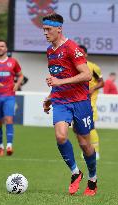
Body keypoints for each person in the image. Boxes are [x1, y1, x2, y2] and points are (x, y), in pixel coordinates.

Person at [42, 13, 97, 196]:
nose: (45, 33)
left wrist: (58, 83)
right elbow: (58, 77)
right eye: (44, 29)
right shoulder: (50, 51)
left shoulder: (72, 48)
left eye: (48, 29)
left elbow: (87, 75)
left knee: (84, 144)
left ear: (59, 29)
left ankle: (93, 179)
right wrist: (51, 95)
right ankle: (75, 173)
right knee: (60, 137)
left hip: (80, 101)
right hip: (61, 102)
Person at [79, 45, 104, 160]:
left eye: (82, 52)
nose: (80, 54)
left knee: (90, 127)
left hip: (90, 103)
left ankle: (96, 152)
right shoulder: (74, 67)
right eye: (78, 52)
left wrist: (93, 89)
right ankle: (87, 150)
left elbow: (101, 82)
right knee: (79, 128)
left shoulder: (93, 67)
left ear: (86, 54)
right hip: (77, 103)